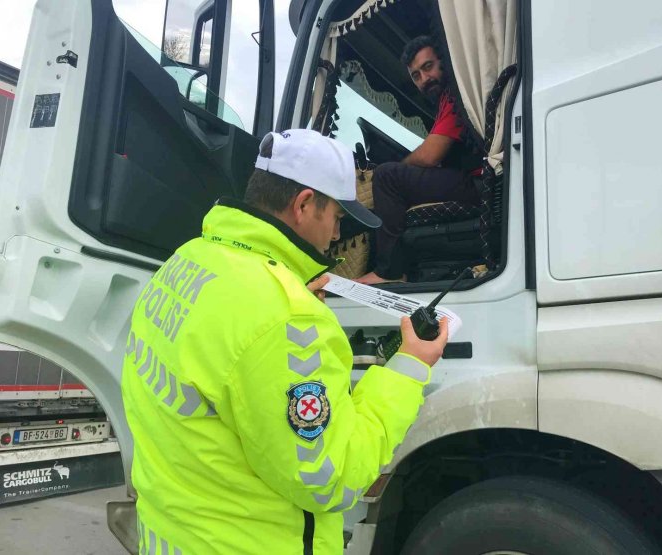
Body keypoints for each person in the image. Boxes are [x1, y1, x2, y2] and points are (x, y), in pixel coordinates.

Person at [121, 128, 449, 554]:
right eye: (336, 218)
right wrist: (409, 366)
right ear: (304, 204)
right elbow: (334, 477)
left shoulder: (185, 261)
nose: (336, 236)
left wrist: (286, 287)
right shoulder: (286, 316)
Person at [357, 36, 482, 285]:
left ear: (444, 62)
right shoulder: (445, 102)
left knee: (386, 176)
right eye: (416, 76)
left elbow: (429, 155)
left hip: (477, 182)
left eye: (428, 67)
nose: (424, 79)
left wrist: (397, 169)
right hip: (471, 182)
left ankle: (389, 272)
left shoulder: (456, 96)